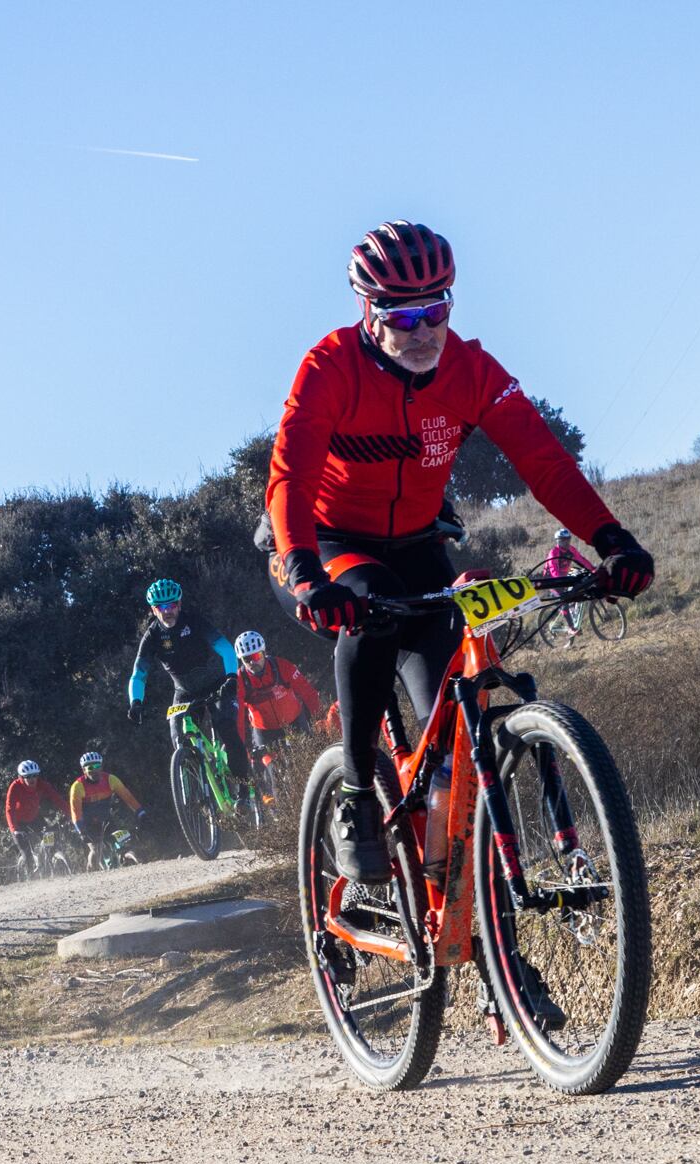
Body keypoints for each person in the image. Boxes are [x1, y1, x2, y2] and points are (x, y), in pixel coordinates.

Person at [265, 219, 654, 885]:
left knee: (449, 728)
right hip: (324, 545)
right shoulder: (330, 368)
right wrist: (304, 572)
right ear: (369, 310)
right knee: (369, 611)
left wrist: (611, 540)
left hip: (416, 544)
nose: (423, 332)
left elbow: (545, 461)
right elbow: (290, 478)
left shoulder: (471, 371)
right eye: (405, 315)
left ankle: (478, 920)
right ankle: (357, 798)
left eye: (437, 310)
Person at [128, 579, 252, 793]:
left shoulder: (194, 622)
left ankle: (244, 792)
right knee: (179, 740)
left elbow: (225, 648)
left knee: (228, 730)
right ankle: (196, 796)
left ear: (180, 604)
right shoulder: (152, 636)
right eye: (161, 607)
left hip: (217, 685)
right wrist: (135, 702)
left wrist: (231, 677)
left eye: (172, 605)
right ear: (154, 609)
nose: (168, 611)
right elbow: (138, 674)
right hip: (184, 693)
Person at [233, 630, 324, 802]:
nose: (254, 662)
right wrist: (240, 744)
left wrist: (319, 718)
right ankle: (278, 809)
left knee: (311, 760)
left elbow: (307, 692)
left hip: (295, 720)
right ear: (241, 660)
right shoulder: (240, 680)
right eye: (247, 659)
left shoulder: (282, 666)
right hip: (264, 731)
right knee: (272, 771)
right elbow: (238, 716)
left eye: (257, 655)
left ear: (264, 652)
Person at [69, 751, 146, 869]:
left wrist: (141, 813)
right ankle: (92, 873)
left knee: (124, 842)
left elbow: (128, 798)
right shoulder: (78, 787)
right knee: (96, 849)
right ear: (84, 770)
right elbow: (75, 812)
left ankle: (126, 860)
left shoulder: (111, 779)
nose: (94, 770)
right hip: (87, 825)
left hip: (106, 819)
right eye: (90, 767)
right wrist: (81, 831)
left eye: (97, 766)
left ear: (101, 767)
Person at [3, 759, 70, 874]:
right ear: (21, 777)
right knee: (27, 854)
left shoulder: (41, 784)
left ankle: (47, 862)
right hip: (18, 823)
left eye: (34, 776)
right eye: (28, 776)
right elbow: (9, 809)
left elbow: (57, 799)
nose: (32, 779)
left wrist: (71, 815)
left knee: (50, 839)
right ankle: (29, 878)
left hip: (34, 818)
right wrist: (14, 830)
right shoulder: (15, 787)